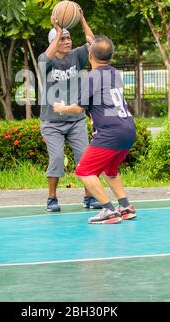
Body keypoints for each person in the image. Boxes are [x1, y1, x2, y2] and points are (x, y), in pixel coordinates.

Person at [53, 35, 137, 224]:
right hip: (128, 129)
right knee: (110, 170)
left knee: (84, 171)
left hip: (111, 132)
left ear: (90, 54)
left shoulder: (92, 78)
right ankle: (125, 207)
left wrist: (61, 108)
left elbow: (78, 109)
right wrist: (82, 20)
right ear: (110, 56)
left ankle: (109, 211)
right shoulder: (114, 73)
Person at [38, 8, 102, 212]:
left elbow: (93, 43)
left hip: (76, 120)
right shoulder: (46, 60)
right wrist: (57, 31)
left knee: (85, 158)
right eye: (63, 39)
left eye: (68, 38)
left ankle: (89, 198)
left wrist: (82, 19)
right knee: (56, 159)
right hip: (52, 122)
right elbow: (44, 58)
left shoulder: (77, 56)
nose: (67, 41)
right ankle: (52, 198)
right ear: (54, 42)